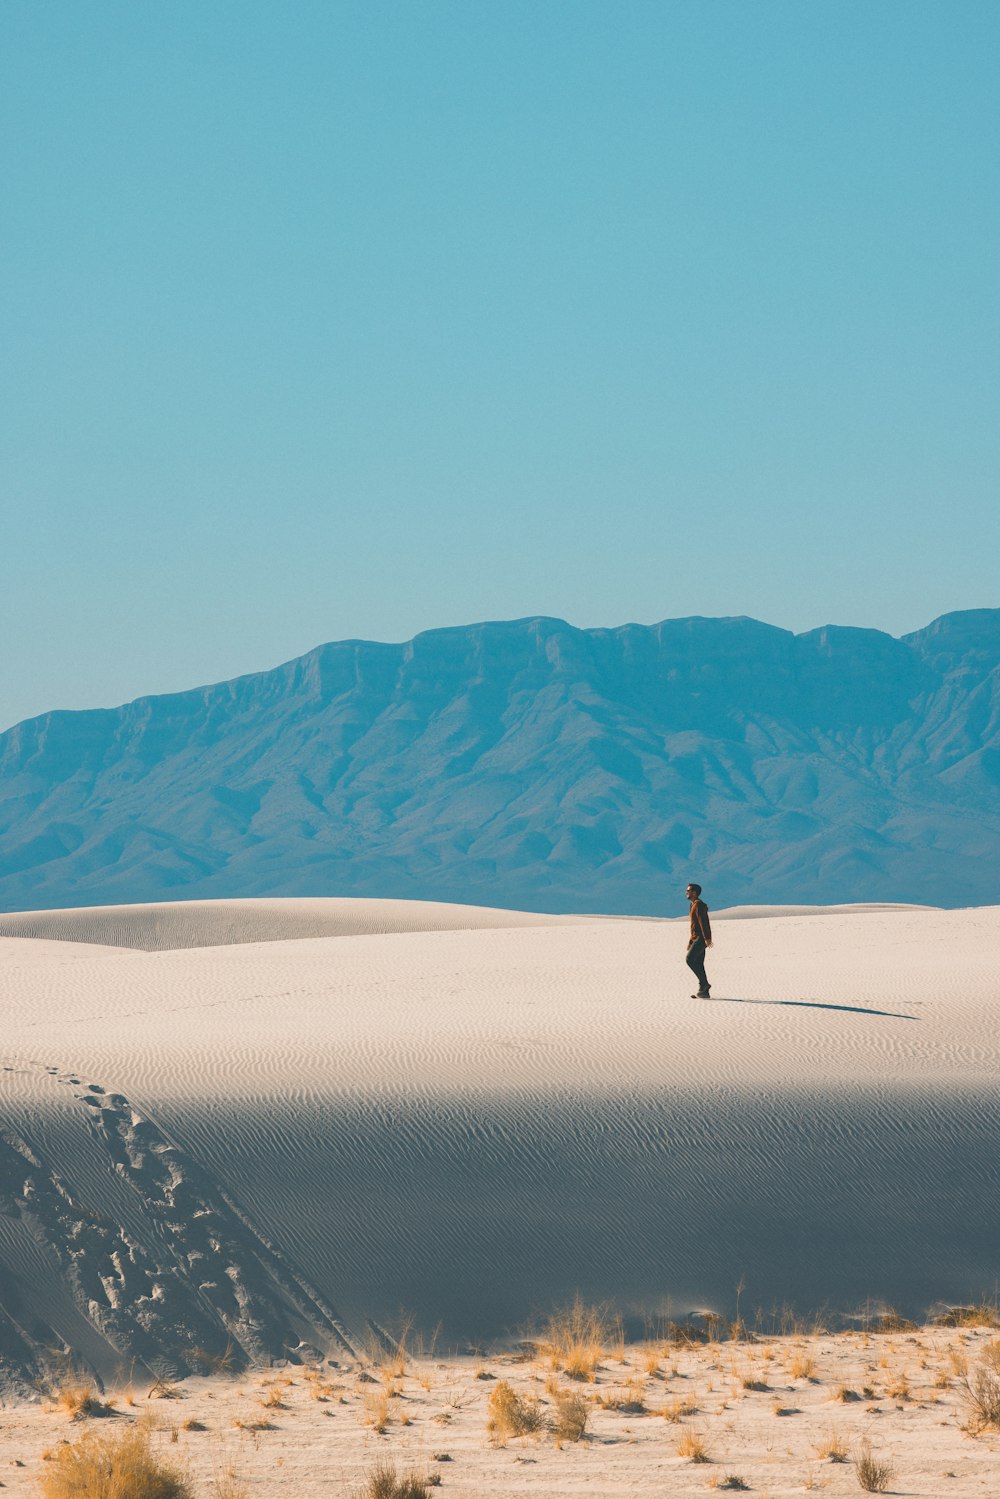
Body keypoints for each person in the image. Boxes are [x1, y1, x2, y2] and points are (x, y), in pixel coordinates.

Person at [685, 882, 712, 997]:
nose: (686, 892)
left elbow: (703, 922)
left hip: (701, 938)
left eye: (689, 890)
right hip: (697, 938)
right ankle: (704, 991)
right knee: (699, 963)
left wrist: (707, 938)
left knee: (689, 959)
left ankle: (704, 984)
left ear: (694, 893)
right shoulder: (694, 904)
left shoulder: (699, 905)